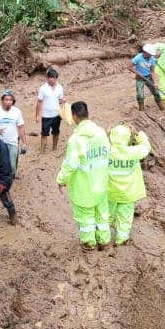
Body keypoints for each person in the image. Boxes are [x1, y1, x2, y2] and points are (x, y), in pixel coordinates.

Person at [56, 101, 112, 251]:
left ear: (74, 116)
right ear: (88, 113)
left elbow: (70, 165)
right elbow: (108, 153)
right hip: (101, 184)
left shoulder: (76, 140)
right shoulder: (100, 133)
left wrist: (61, 180)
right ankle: (104, 241)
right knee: (102, 215)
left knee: (86, 218)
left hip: (84, 188)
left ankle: (89, 244)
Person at [107, 124, 151, 246]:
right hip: (128, 192)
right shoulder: (133, 152)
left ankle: (103, 237)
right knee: (125, 216)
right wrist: (137, 134)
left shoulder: (107, 150)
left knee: (106, 214)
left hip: (110, 191)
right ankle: (121, 239)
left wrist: (108, 134)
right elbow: (146, 146)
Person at [0, 89, 27, 177]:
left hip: (13, 142)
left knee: (12, 165)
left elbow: (21, 127)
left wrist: (24, 143)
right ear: (2, 100)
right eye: (6, 100)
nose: (9, 102)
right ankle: (5, 184)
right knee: (1, 165)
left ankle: (12, 174)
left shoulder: (17, 111)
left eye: (10, 100)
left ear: (13, 101)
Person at [35, 68, 65, 152]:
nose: (52, 79)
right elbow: (39, 102)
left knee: (56, 132)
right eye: (50, 77)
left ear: (56, 78)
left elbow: (60, 100)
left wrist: (63, 102)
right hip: (46, 116)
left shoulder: (60, 88)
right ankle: (42, 150)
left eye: (54, 77)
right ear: (47, 78)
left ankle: (54, 148)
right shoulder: (42, 88)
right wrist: (37, 115)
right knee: (44, 134)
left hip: (57, 115)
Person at [128, 44, 164, 111]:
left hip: (149, 77)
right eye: (150, 54)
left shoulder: (152, 59)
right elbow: (129, 67)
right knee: (140, 95)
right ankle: (141, 110)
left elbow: (152, 71)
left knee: (156, 93)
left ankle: (162, 108)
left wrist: (155, 83)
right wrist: (138, 73)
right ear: (145, 52)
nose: (151, 55)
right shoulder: (138, 58)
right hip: (139, 78)